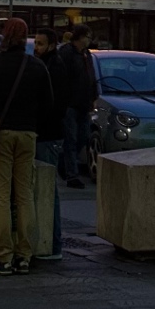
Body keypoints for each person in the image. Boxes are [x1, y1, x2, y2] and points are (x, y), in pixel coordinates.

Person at [0, 17, 53, 274]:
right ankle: (24, 256)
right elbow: (48, 104)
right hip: (27, 133)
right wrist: (33, 123)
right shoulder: (37, 66)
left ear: (5, 35)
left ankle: (3, 257)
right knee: (25, 195)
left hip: (1, 134)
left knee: (1, 195)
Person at [34, 29, 70, 258]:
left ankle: (53, 242)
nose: (36, 47)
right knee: (45, 187)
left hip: (47, 134)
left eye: (40, 43)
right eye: (35, 43)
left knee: (47, 188)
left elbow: (54, 104)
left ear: (51, 45)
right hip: (47, 133)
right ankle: (49, 241)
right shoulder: (48, 64)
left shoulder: (53, 67)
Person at [56, 25, 98, 188]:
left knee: (83, 136)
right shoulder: (67, 53)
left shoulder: (86, 54)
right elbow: (62, 77)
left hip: (83, 103)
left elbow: (91, 76)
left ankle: (64, 162)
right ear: (80, 37)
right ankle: (72, 174)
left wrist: (93, 96)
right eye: (87, 37)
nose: (89, 40)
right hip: (70, 103)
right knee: (71, 138)